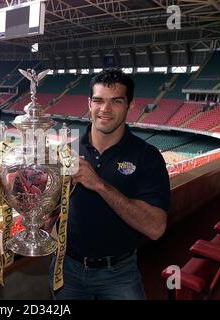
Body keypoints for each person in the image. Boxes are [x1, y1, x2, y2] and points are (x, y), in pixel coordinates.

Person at [48, 69, 170, 300]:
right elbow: (55, 209)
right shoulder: (66, 151)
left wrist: (99, 185)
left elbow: (155, 228)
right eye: (98, 100)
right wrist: (40, 217)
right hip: (66, 269)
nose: (104, 109)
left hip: (119, 274)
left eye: (115, 101)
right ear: (89, 103)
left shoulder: (147, 156)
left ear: (130, 105)